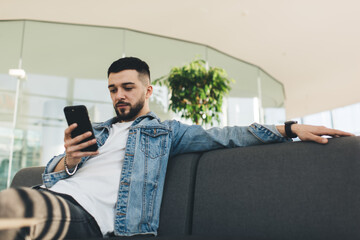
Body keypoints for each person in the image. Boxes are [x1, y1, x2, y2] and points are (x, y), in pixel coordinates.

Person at [0, 57, 354, 240]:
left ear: (148, 90)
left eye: (127, 87)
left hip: (91, 218)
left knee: (10, 205)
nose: (119, 95)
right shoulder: (99, 132)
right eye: (112, 89)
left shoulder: (165, 133)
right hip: (51, 195)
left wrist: (289, 127)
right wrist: (68, 159)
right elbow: (50, 175)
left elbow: (228, 135)